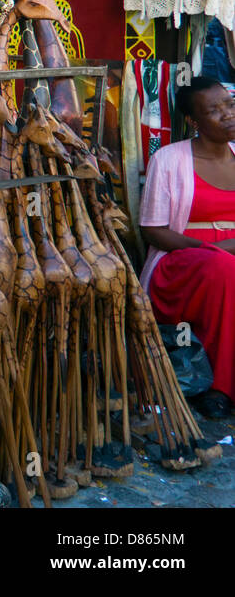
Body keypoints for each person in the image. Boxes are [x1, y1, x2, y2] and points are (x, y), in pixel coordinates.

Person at [140, 76, 235, 418]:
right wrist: (216, 249)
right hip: (180, 261)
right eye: (214, 110)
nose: (228, 115)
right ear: (194, 121)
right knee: (225, 270)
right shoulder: (168, 160)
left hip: (226, 259)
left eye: (230, 105)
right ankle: (220, 388)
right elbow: (153, 229)